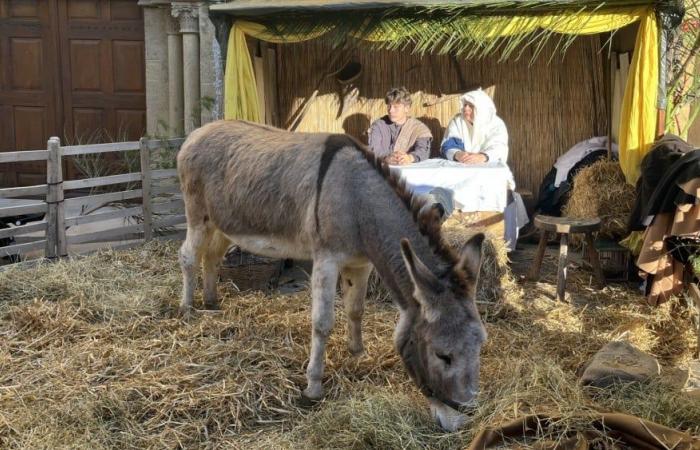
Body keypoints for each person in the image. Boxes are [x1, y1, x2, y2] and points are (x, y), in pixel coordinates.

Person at [441, 89, 508, 164]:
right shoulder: (458, 121)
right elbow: (449, 145)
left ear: (481, 108)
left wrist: (483, 156)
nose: (466, 108)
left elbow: (499, 146)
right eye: (465, 105)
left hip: (488, 166)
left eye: (471, 106)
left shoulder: (496, 124)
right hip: (462, 166)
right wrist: (457, 154)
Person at [368, 87, 432, 165]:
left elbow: (423, 150)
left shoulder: (419, 129)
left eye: (396, 107)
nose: (391, 110)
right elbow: (373, 149)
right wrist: (386, 158)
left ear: (407, 108)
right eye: (389, 106)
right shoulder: (378, 126)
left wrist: (410, 157)